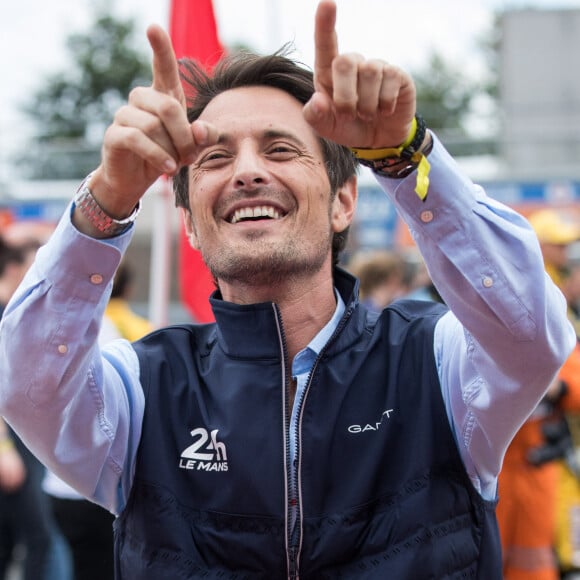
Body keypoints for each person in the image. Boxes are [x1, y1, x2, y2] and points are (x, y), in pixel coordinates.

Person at [0, 1, 575, 577]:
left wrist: (405, 158)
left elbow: (533, 333)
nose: (247, 171)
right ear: (191, 226)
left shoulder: (437, 361)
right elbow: (25, 385)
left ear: (344, 200)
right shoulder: (143, 388)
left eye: (280, 149)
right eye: (215, 157)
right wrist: (105, 200)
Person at [0, 237, 57, 580]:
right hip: (13, 448)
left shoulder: (19, 314)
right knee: (39, 538)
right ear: (14, 269)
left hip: (25, 442)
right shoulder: (6, 315)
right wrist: (4, 450)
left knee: (15, 540)